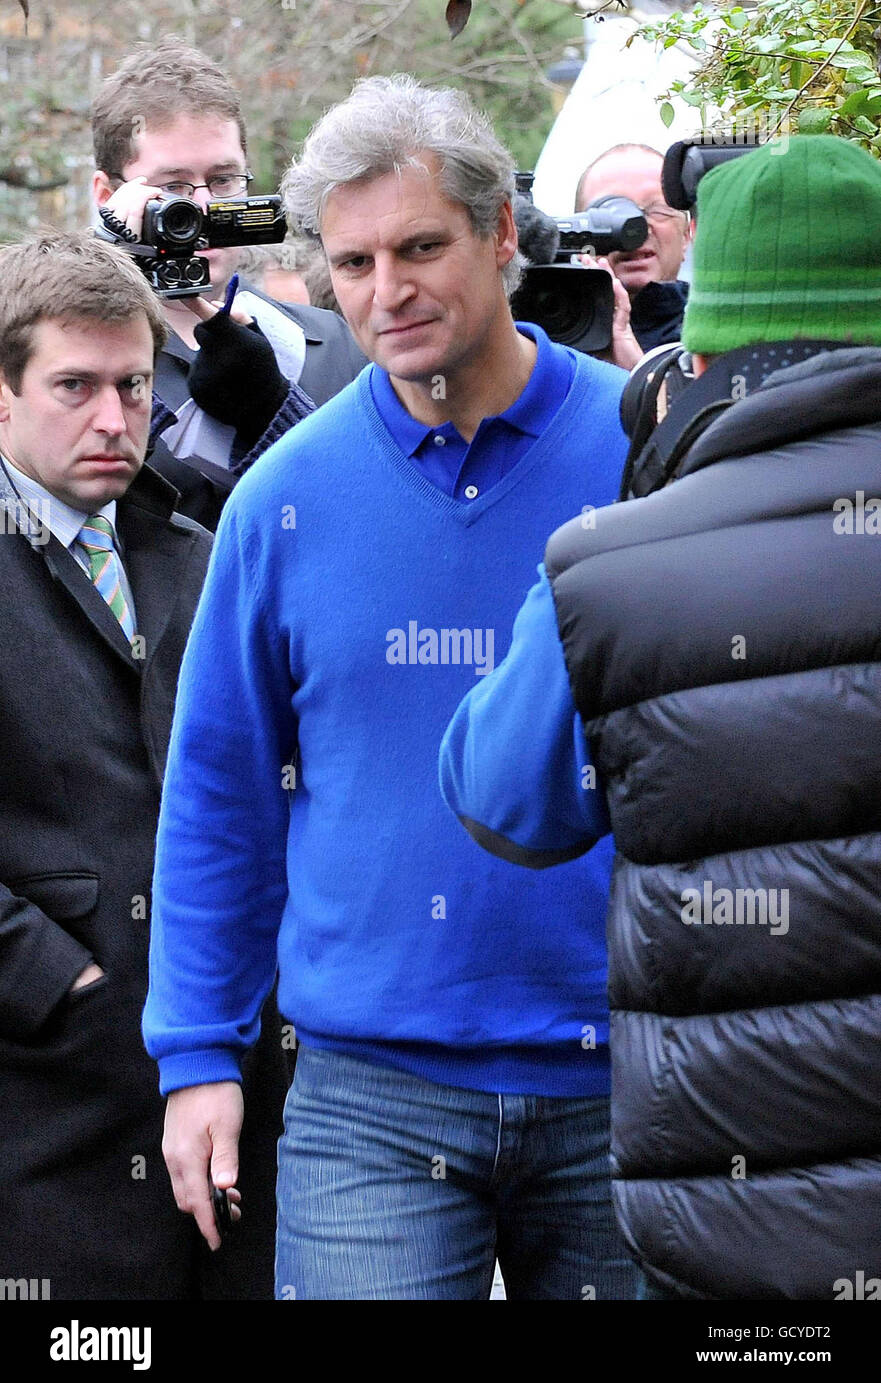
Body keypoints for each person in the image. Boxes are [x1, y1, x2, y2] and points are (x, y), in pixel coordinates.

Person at [144, 74, 638, 1301]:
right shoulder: (281, 499)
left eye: (420, 247)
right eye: (353, 262)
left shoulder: (643, 453)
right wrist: (198, 1054)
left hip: (627, 1074)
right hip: (369, 1097)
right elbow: (218, 792)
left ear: (502, 236)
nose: (387, 291)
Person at [440, 134, 881, 1300]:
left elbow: (500, 797)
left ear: (711, 343)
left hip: (727, 1234)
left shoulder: (622, 566)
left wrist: (631, 505)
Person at [0, 230, 284, 1299]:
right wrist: (54, 981)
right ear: (3, 394)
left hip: (233, 1094)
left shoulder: (200, 551)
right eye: (74, 385)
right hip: (45, 1105)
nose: (115, 418)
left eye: (131, 382)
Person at [91, 36, 366, 530]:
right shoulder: (62, 355)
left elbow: (370, 514)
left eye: (222, 180)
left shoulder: (332, 343)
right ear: (109, 196)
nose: (202, 209)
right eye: (172, 187)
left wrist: (272, 407)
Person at [575, 143, 693, 367]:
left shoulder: (713, 337)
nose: (636, 229)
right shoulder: (549, 336)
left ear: (686, 234)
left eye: (657, 210)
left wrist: (637, 373)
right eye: (611, 213)